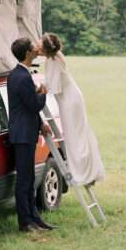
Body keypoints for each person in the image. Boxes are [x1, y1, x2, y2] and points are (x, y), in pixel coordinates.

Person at [39, 32, 105, 186]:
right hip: (69, 99)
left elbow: (54, 87)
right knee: (76, 135)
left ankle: (84, 174)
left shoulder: (54, 61)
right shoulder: (52, 58)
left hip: (70, 101)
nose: (37, 47)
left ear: (46, 50)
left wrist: (40, 89)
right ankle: (87, 171)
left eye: (40, 45)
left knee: (75, 137)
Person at [7, 37, 54, 233]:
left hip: (26, 131)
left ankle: (34, 218)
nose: (37, 49)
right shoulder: (22, 77)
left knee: (29, 178)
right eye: (33, 47)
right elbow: (33, 104)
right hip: (22, 135)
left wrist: (41, 123)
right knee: (24, 180)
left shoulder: (19, 75)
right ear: (27, 53)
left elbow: (27, 107)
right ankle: (25, 222)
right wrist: (43, 92)